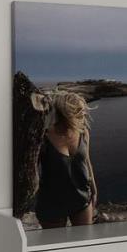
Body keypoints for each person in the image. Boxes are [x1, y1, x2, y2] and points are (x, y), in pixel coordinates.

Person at [34, 90, 97, 228]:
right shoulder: (43, 138)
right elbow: (34, 172)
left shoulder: (82, 132)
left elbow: (86, 161)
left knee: (85, 239)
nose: (83, 114)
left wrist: (94, 189)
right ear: (65, 113)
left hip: (81, 197)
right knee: (55, 241)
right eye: (79, 111)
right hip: (52, 203)